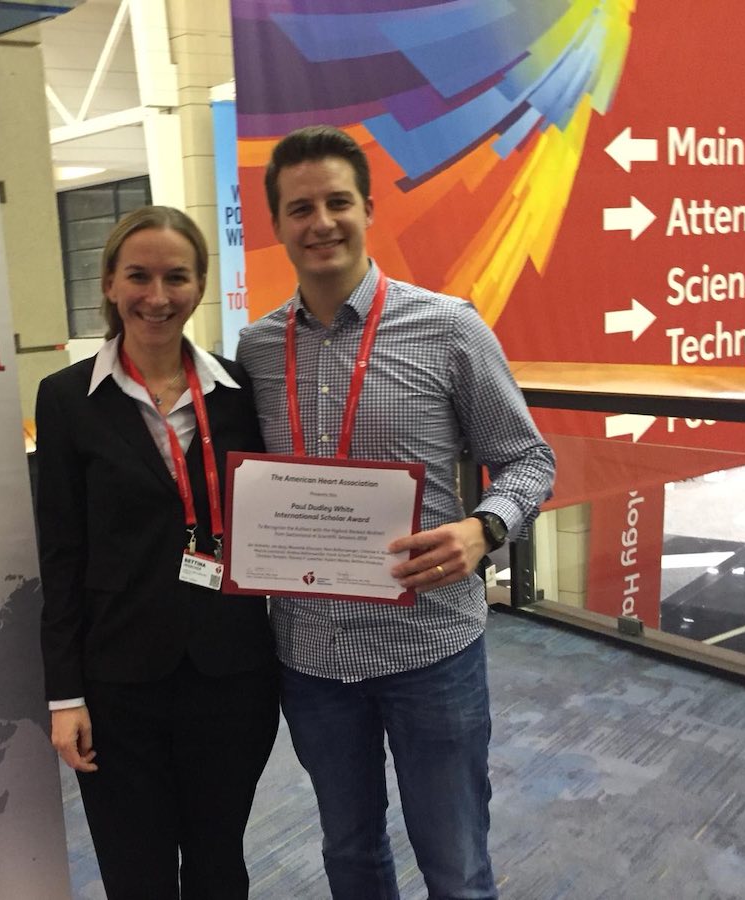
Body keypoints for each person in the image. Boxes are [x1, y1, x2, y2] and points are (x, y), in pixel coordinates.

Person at [236, 125, 556, 899]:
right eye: (300, 207)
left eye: (338, 202)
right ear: (277, 225)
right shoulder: (254, 349)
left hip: (431, 650)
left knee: (456, 864)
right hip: (311, 659)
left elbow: (530, 460)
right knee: (349, 854)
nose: (321, 223)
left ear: (369, 209)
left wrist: (484, 528)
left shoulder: (448, 327)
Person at [35, 205, 279, 900]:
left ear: (200, 285)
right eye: (138, 276)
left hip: (232, 676)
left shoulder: (240, 394)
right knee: (135, 873)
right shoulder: (65, 401)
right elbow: (61, 553)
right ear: (109, 283)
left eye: (177, 277)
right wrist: (63, 695)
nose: (158, 296)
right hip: (118, 685)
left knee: (217, 863)